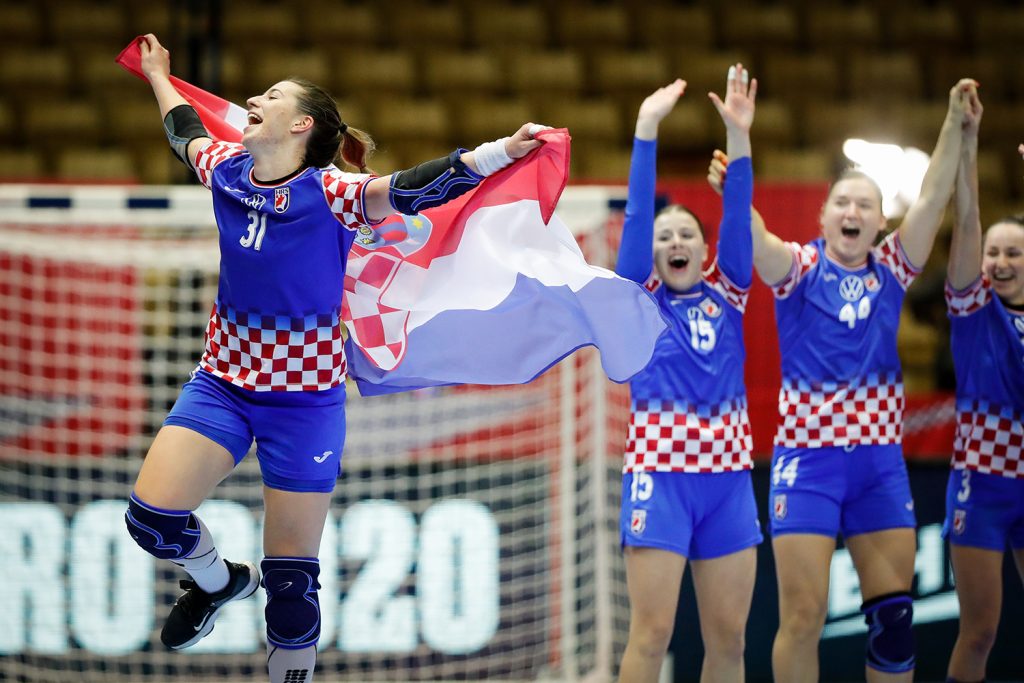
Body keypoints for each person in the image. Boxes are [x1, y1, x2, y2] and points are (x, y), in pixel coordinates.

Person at [122, 34, 544, 683]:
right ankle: (218, 582)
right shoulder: (227, 168)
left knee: (291, 589)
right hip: (224, 385)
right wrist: (158, 75)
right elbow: (184, 132)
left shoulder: (334, 193)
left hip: (304, 405)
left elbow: (415, 187)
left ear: (302, 125)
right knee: (150, 518)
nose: (253, 101)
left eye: (271, 96)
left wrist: (499, 153)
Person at [710, 78, 978, 682]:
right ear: (823, 215)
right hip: (809, 465)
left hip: (879, 467)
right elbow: (751, 234)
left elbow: (934, 198)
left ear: (881, 221)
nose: (852, 211)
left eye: (865, 204)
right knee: (802, 620)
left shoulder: (891, 268)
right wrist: (739, 132)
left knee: (894, 620)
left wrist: (956, 122)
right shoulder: (799, 268)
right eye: (842, 203)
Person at [615, 65, 760, 683]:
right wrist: (646, 129)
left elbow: (737, 219)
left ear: (704, 251)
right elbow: (638, 221)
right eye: (664, 236)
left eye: (687, 235)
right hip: (661, 480)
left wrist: (740, 134)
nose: (674, 241)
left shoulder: (730, 292)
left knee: (728, 642)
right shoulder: (641, 300)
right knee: (651, 636)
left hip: (728, 483)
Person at [943, 104, 1023, 683]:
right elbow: (968, 219)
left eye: (1014, 253)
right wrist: (968, 144)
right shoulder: (974, 311)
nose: (998, 262)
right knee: (980, 632)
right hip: (982, 486)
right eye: (994, 252)